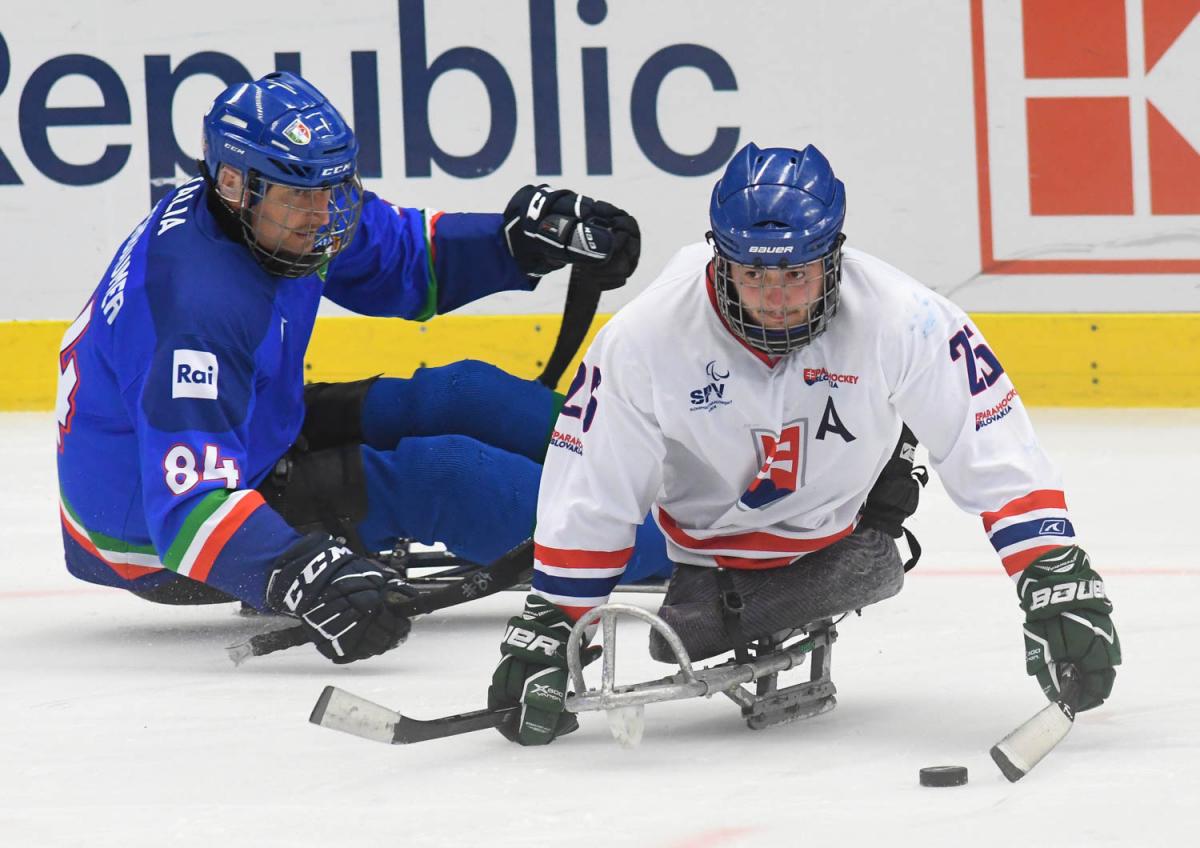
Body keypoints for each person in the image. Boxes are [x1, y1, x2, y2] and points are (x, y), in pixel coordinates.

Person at [488, 142, 1122, 745]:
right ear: (719, 257)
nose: (775, 298)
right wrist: (556, 621)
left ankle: (876, 491)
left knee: (861, 518)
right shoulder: (645, 338)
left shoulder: (905, 317)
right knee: (682, 634)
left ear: (833, 255)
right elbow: (594, 483)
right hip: (711, 550)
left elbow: (988, 438)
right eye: (753, 273)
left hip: (847, 524)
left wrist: (1053, 575)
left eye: (795, 272)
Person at [55, 70, 670, 666]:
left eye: (330, 189)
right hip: (155, 537)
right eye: (302, 194)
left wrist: (515, 244)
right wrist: (296, 572)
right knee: (446, 479)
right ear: (235, 184)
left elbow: (400, 258)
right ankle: (689, 549)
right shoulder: (196, 309)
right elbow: (187, 511)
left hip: (247, 430)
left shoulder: (270, 216)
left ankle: (682, 486)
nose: (322, 213)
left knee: (466, 391)